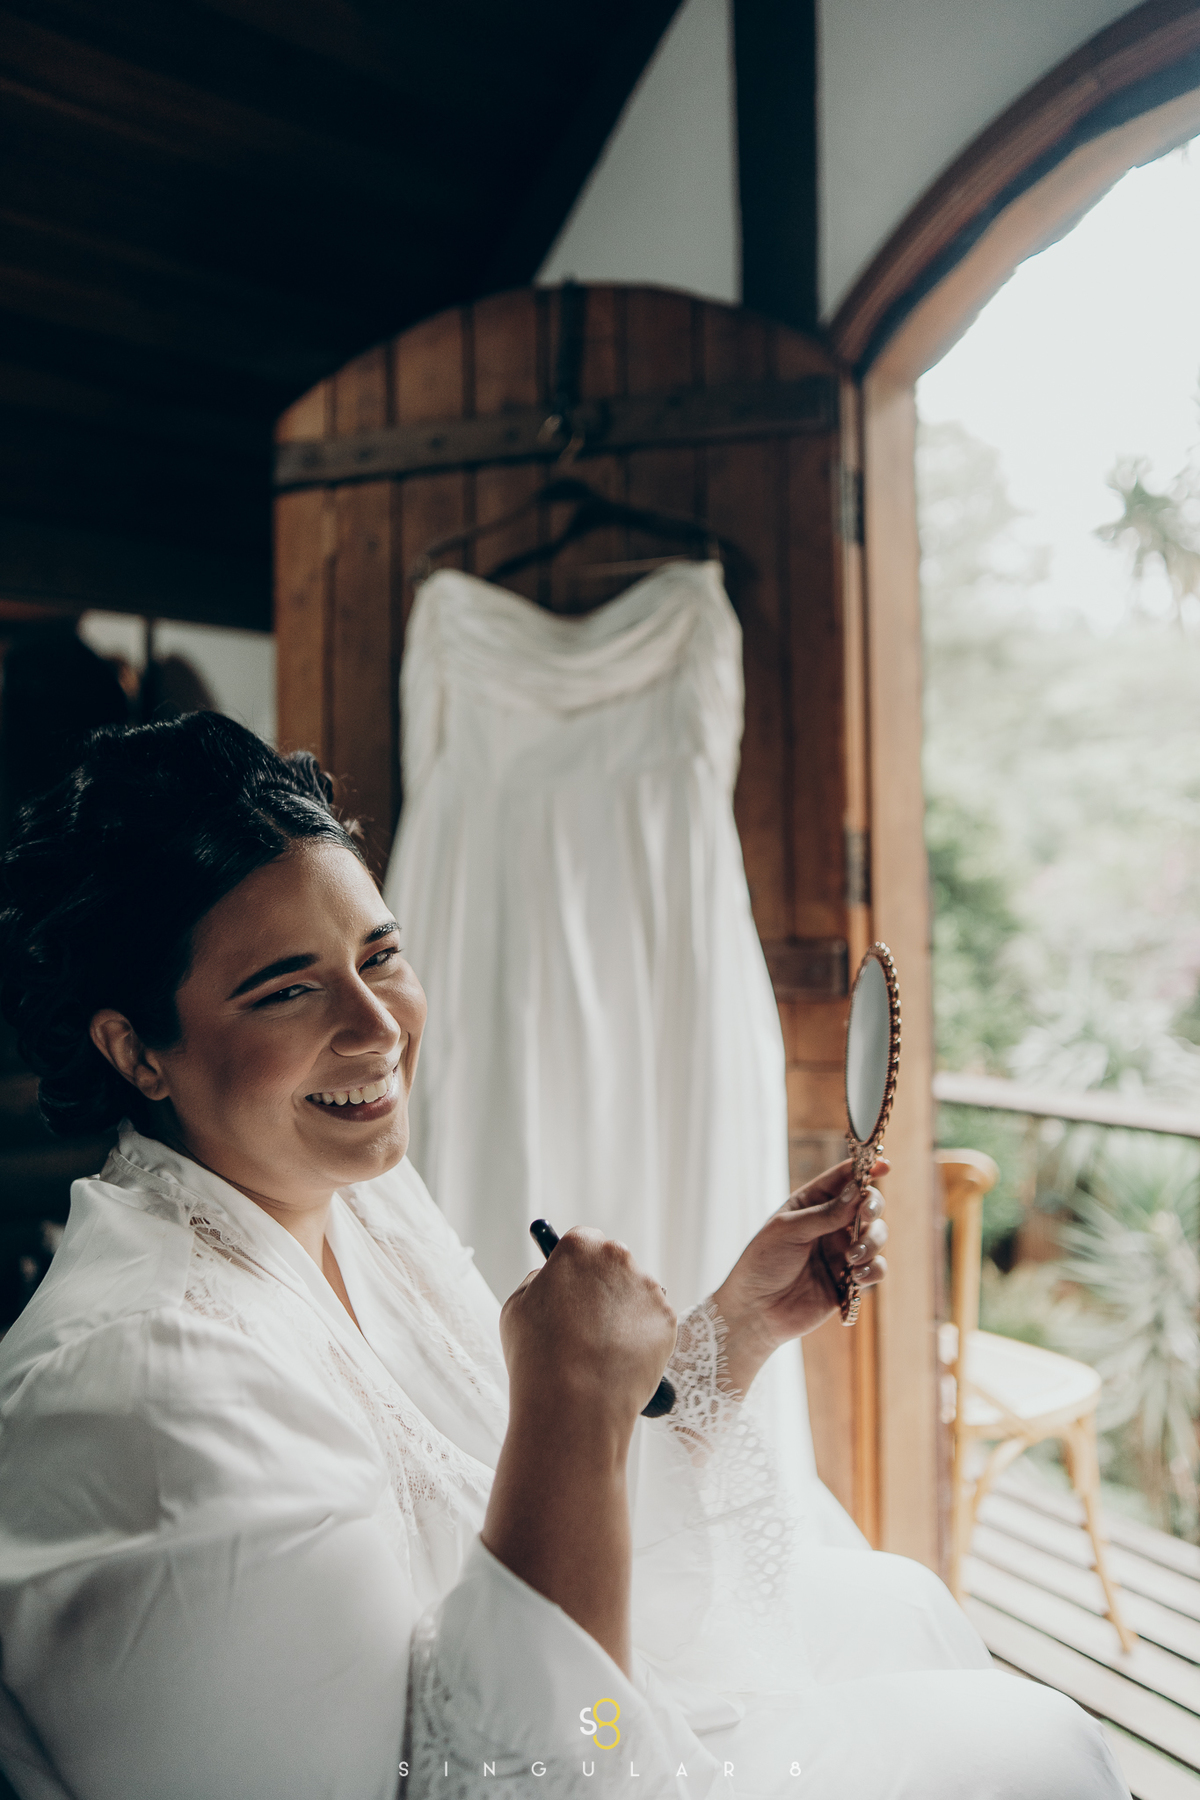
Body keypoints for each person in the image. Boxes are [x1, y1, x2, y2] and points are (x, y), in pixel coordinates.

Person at [0, 713, 1128, 1800]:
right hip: (567, 1753)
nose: (377, 1025)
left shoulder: (360, 1197)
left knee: (898, 1604)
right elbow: (520, 1772)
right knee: (1030, 1748)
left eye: (380, 954)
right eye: (287, 988)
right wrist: (571, 1398)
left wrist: (724, 1338)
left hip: (580, 1722)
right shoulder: (152, 1385)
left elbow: (540, 1565)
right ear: (136, 1049)